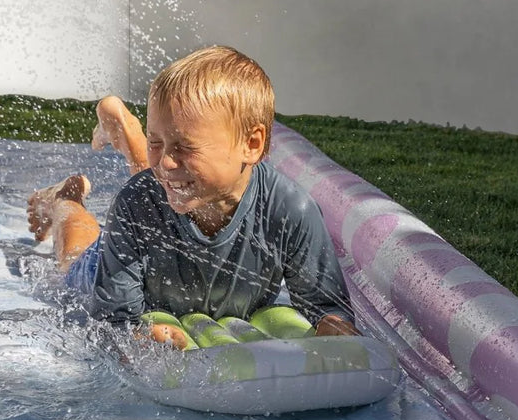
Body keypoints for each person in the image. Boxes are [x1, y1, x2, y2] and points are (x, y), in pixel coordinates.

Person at [26, 45, 358, 340]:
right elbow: (113, 320)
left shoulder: (290, 210)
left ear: (251, 144)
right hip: (115, 248)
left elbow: (327, 308)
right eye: (156, 141)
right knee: (74, 258)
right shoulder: (135, 205)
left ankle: (130, 134)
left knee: (169, 178)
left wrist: (333, 326)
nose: (168, 159)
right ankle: (64, 200)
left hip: (168, 199)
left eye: (185, 145)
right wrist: (140, 337)